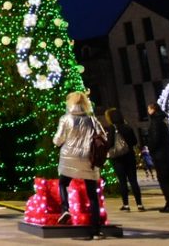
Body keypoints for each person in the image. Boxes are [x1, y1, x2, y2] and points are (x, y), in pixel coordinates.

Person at [53, 92, 104, 240]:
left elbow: (58, 140)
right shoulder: (92, 120)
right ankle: (96, 230)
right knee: (93, 195)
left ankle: (65, 209)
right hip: (89, 159)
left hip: (69, 158)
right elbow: (103, 137)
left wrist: (56, 140)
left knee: (63, 183)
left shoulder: (65, 119)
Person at [105, 108, 144, 211]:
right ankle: (139, 204)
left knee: (122, 181)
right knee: (133, 181)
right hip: (129, 156)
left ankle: (126, 205)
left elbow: (110, 144)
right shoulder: (127, 127)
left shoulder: (111, 128)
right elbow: (135, 142)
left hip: (117, 158)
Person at [147, 103, 169, 213]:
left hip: (160, 155)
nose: (148, 111)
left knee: (164, 180)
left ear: (152, 109)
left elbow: (155, 139)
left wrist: (151, 148)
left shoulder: (156, 122)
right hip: (166, 153)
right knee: (168, 180)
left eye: (148, 108)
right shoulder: (162, 120)